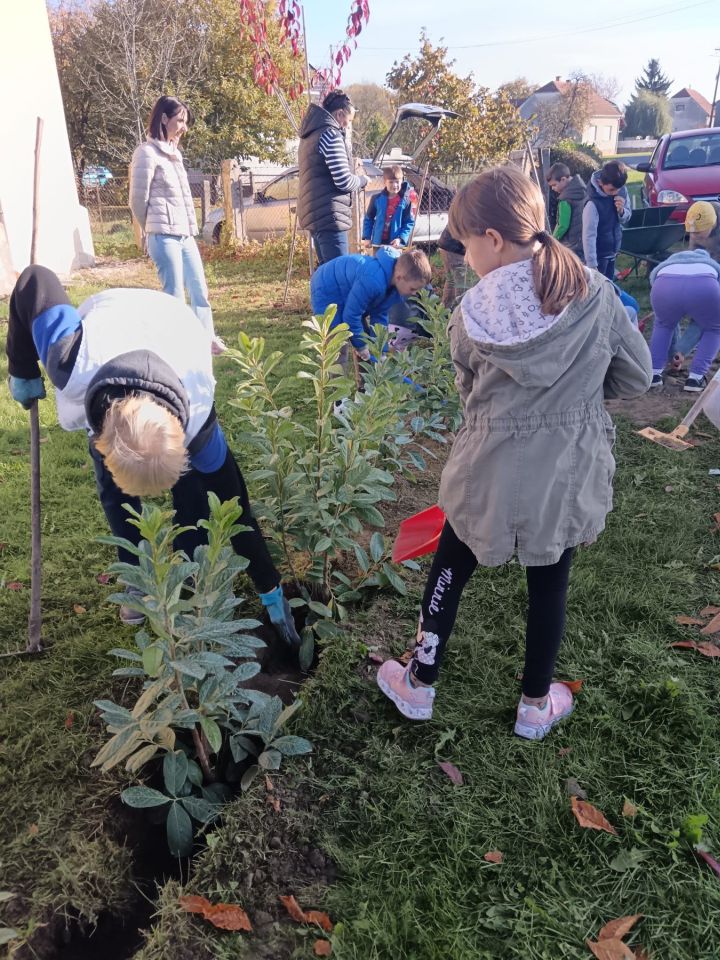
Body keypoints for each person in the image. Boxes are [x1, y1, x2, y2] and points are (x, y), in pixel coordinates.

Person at [376, 166, 652, 739]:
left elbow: (469, 394)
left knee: (451, 565)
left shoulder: (470, 315)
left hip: (486, 471)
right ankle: (534, 704)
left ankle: (419, 682)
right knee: (550, 581)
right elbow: (636, 379)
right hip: (566, 473)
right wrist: (579, 392)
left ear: (493, 240)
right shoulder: (595, 294)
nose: (464, 257)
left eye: (466, 243)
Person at [6, 266, 299, 645]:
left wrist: (269, 587)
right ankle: (138, 577)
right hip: (109, 322)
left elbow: (235, 501)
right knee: (115, 493)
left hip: (170, 325)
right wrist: (22, 365)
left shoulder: (197, 416)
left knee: (195, 488)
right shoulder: (69, 356)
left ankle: (189, 575)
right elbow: (35, 281)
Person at [129, 95, 225, 356]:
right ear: (163, 119)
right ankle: (178, 346)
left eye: (186, 122)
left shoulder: (176, 154)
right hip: (163, 235)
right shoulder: (146, 153)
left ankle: (207, 338)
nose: (184, 127)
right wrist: (149, 229)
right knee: (174, 294)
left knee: (199, 288)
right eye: (180, 120)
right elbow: (138, 199)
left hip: (185, 235)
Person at [309, 247, 432, 361]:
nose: (415, 293)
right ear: (399, 278)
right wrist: (361, 346)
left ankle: (366, 383)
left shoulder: (394, 288)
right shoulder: (373, 281)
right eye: (413, 289)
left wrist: (381, 351)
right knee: (339, 344)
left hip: (348, 292)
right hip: (326, 289)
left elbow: (380, 317)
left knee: (365, 338)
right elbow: (351, 315)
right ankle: (333, 383)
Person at [297, 89, 368, 266]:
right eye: (348, 120)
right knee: (339, 276)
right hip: (330, 217)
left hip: (316, 216)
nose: (347, 126)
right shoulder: (330, 135)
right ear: (339, 113)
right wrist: (362, 180)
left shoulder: (310, 136)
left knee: (327, 275)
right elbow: (343, 180)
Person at [647, 230, 720, 393]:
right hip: (705, 286)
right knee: (714, 328)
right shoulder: (711, 265)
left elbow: (653, 279)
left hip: (663, 285)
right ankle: (696, 378)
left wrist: (679, 349)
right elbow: (700, 323)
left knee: (664, 325)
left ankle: (654, 374)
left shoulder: (670, 262)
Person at [582, 160, 632, 279]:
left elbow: (627, 217)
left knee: (609, 286)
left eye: (618, 189)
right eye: (611, 190)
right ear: (600, 182)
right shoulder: (592, 204)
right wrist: (592, 265)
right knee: (599, 290)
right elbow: (589, 235)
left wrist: (621, 211)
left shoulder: (622, 190)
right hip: (598, 256)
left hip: (613, 251)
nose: (615, 193)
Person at [361, 165, 417, 250]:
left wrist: (400, 238)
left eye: (397, 182)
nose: (394, 185)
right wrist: (367, 237)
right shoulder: (376, 199)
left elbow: (409, 222)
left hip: (395, 245)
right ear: (385, 182)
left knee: (395, 263)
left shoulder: (406, 201)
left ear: (401, 181)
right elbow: (368, 218)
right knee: (377, 263)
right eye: (391, 182)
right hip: (378, 244)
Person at [545, 162, 586, 259]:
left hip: (571, 245)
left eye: (554, 185)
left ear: (563, 179)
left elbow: (562, 225)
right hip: (584, 241)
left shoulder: (565, 199)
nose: (553, 188)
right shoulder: (583, 190)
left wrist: (553, 240)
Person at [437, 226, 468, 308]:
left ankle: (443, 310)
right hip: (455, 248)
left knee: (451, 281)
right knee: (460, 285)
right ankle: (460, 312)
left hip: (446, 244)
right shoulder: (473, 213)